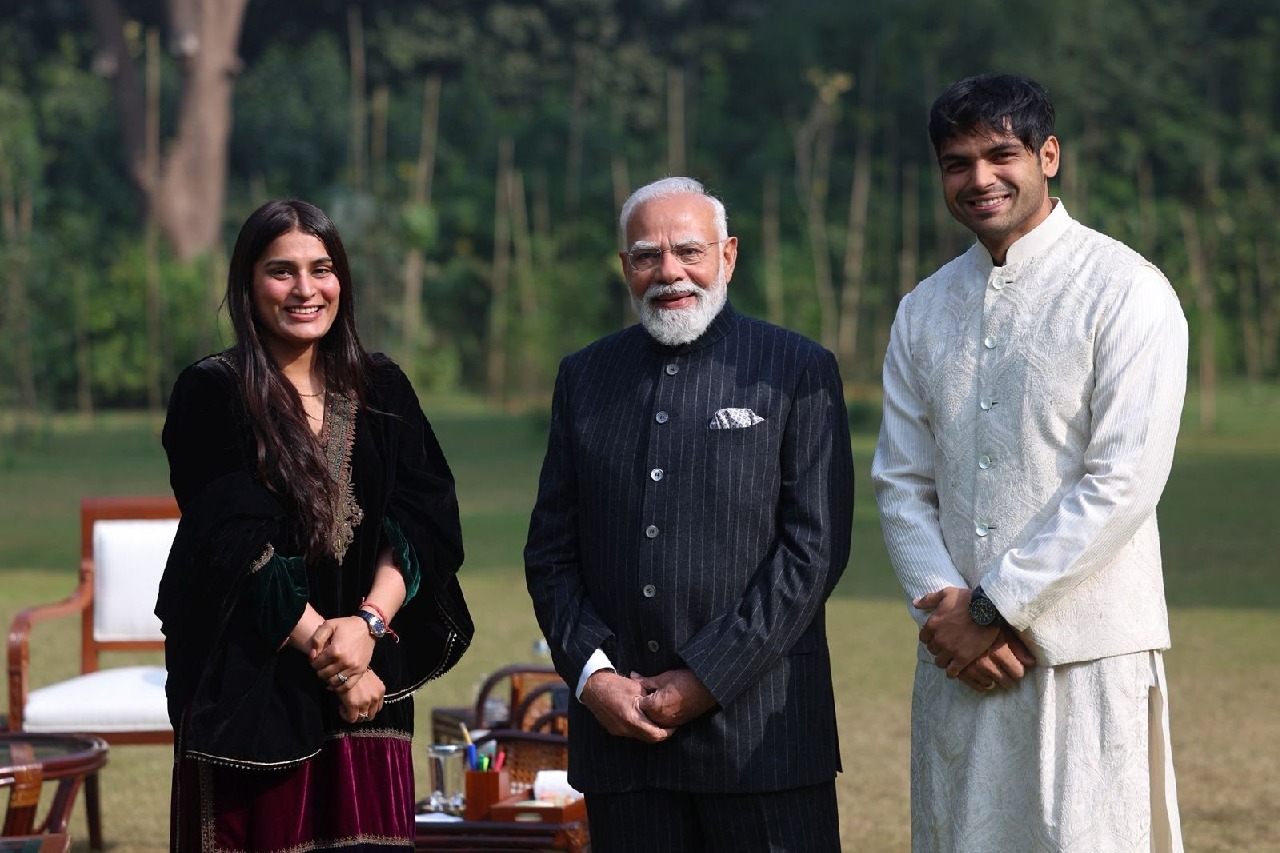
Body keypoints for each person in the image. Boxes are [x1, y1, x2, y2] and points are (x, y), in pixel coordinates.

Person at [872, 74, 1187, 852]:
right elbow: (901, 483)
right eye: (957, 163)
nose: (979, 178)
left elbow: (1123, 480)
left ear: (1048, 156)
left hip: (1088, 652)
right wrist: (948, 612)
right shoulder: (923, 309)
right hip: (962, 663)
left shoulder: (1127, 290)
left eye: (999, 155)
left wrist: (992, 609)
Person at [524, 176, 854, 852]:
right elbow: (550, 551)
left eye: (689, 251)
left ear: (727, 255)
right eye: (647, 255)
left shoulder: (796, 368)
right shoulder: (584, 376)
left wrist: (708, 676)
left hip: (764, 742)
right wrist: (593, 677)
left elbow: (813, 551)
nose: (669, 272)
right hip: (623, 745)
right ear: (625, 267)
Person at [156, 199, 473, 851]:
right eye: (282, 271)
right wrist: (342, 664)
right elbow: (234, 547)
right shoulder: (212, 392)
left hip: (371, 678)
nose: (306, 289)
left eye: (321, 269)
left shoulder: (383, 387)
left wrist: (369, 627)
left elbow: (422, 519)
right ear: (248, 284)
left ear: (342, 279)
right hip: (252, 685)